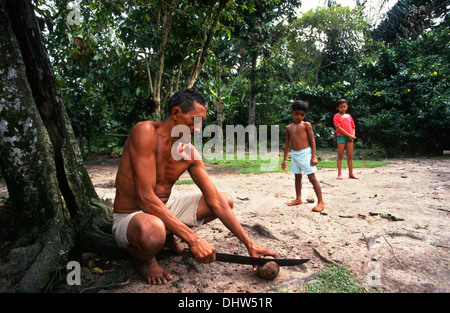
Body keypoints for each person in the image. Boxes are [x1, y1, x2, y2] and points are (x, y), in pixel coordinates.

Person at [112, 89, 277, 285]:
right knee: (153, 230)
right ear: (175, 114)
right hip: (130, 217)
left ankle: (167, 238)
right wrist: (193, 240)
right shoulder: (145, 132)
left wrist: (249, 244)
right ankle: (145, 258)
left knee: (225, 200)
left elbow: (215, 200)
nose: (199, 129)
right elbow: (145, 198)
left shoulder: (188, 152)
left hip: (160, 212)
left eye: (202, 123)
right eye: (195, 121)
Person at [281, 100, 325, 212]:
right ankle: (298, 198)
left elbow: (312, 141)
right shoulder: (288, 128)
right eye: (297, 114)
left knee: (312, 177)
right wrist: (285, 159)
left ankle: (320, 202)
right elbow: (287, 145)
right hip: (295, 155)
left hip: (305, 153)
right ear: (292, 112)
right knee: (297, 177)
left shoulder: (306, 125)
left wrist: (313, 156)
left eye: (302, 115)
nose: (299, 117)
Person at [333, 99, 359, 180]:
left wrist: (352, 135)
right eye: (341, 107)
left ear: (347, 106)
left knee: (350, 156)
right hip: (341, 137)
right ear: (338, 108)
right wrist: (349, 135)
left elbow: (353, 127)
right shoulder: (336, 116)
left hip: (350, 138)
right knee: (340, 155)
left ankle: (351, 174)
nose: (343, 108)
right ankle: (339, 174)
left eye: (345, 106)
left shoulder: (349, 116)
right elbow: (339, 128)